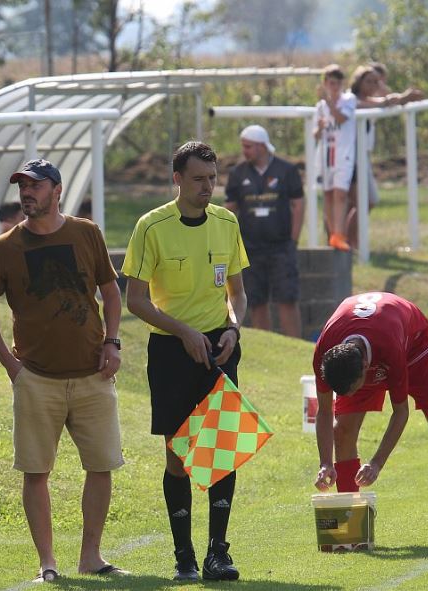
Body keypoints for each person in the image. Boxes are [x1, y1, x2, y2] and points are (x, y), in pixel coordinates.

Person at [0, 159, 127, 583]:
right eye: (22, 186)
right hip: (36, 379)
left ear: (56, 190)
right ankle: (47, 563)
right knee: (36, 471)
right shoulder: (4, 247)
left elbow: (111, 292)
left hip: (93, 375)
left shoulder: (86, 233)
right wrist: (11, 366)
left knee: (101, 465)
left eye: (36, 186)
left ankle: (91, 557)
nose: (27, 193)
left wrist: (112, 342)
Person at [122, 141, 249, 582]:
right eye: (198, 179)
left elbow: (237, 294)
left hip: (220, 346)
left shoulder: (227, 222)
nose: (207, 187)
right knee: (178, 454)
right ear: (177, 179)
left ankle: (218, 553)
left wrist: (233, 329)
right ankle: (184, 558)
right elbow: (135, 300)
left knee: (222, 451)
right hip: (171, 350)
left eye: (213, 178)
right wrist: (183, 332)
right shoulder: (150, 226)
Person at [313, 292, 428, 545]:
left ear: (365, 368)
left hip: (415, 349)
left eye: (354, 389)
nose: (350, 396)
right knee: (343, 429)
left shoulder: (389, 345)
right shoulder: (325, 354)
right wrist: (326, 462)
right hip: (370, 347)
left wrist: (376, 463)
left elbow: (400, 411)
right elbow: (325, 412)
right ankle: (353, 531)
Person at [225, 124, 303, 338]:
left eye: (248, 146)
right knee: (256, 301)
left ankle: (294, 345)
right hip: (250, 247)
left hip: (281, 246)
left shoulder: (287, 170)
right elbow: (230, 209)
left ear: (261, 146)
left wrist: (293, 240)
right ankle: (267, 342)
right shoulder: (238, 173)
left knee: (287, 299)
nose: (244, 151)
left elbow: (298, 204)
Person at [346, 65, 424, 247]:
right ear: (358, 82)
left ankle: (351, 242)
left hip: (360, 157)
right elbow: (370, 104)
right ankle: (350, 243)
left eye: (377, 82)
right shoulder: (350, 99)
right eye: (369, 81)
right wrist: (399, 99)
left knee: (365, 202)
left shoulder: (369, 99)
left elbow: (383, 100)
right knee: (362, 202)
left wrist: (402, 98)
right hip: (349, 158)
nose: (374, 85)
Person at [314, 64, 356, 252]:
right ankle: (333, 235)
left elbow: (341, 118)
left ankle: (340, 234)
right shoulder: (320, 107)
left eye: (338, 83)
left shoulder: (348, 100)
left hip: (344, 154)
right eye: (331, 83)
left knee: (341, 193)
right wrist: (320, 127)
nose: (334, 87)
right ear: (325, 83)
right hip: (326, 155)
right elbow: (315, 135)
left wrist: (329, 102)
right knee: (328, 194)